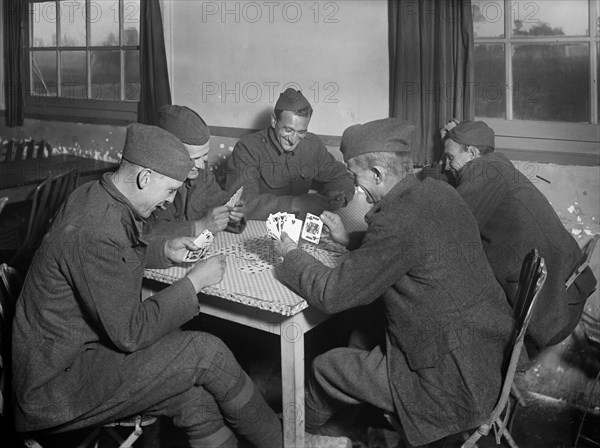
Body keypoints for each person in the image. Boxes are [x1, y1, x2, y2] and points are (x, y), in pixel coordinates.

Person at [11, 123, 282, 448]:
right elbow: (130, 333)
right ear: (144, 178)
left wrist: (163, 249)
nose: (169, 203)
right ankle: (285, 443)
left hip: (83, 355)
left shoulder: (98, 195)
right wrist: (194, 283)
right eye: (169, 191)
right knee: (206, 351)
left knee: (195, 398)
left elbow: (116, 257)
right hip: (56, 385)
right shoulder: (96, 227)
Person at [275, 118, 519, 446]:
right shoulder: (437, 190)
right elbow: (410, 248)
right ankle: (342, 425)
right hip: (487, 349)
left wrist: (289, 253)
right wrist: (350, 239)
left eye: (354, 175)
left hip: (449, 376)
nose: (354, 184)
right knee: (361, 329)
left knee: (325, 366)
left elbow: (332, 293)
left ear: (377, 173)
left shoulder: (396, 220)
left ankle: (301, 435)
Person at [442, 119, 597, 351]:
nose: (445, 166)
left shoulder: (486, 169)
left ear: (473, 152)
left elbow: (448, 226)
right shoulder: (496, 167)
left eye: (450, 158)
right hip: (566, 292)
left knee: (450, 320)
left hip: (553, 308)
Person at [226, 88, 355, 220]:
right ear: (274, 121)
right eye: (288, 130)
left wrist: (337, 193)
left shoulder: (312, 146)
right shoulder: (248, 148)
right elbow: (239, 203)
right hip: (255, 226)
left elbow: (342, 177)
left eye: (301, 132)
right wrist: (295, 204)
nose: (293, 140)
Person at [145, 105, 246, 237]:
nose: (202, 166)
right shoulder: (147, 181)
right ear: (168, 153)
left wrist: (233, 216)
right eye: (193, 158)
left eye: (204, 155)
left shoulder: (201, 176)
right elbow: (140, 235)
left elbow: (220, 204)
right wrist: (200, 226)